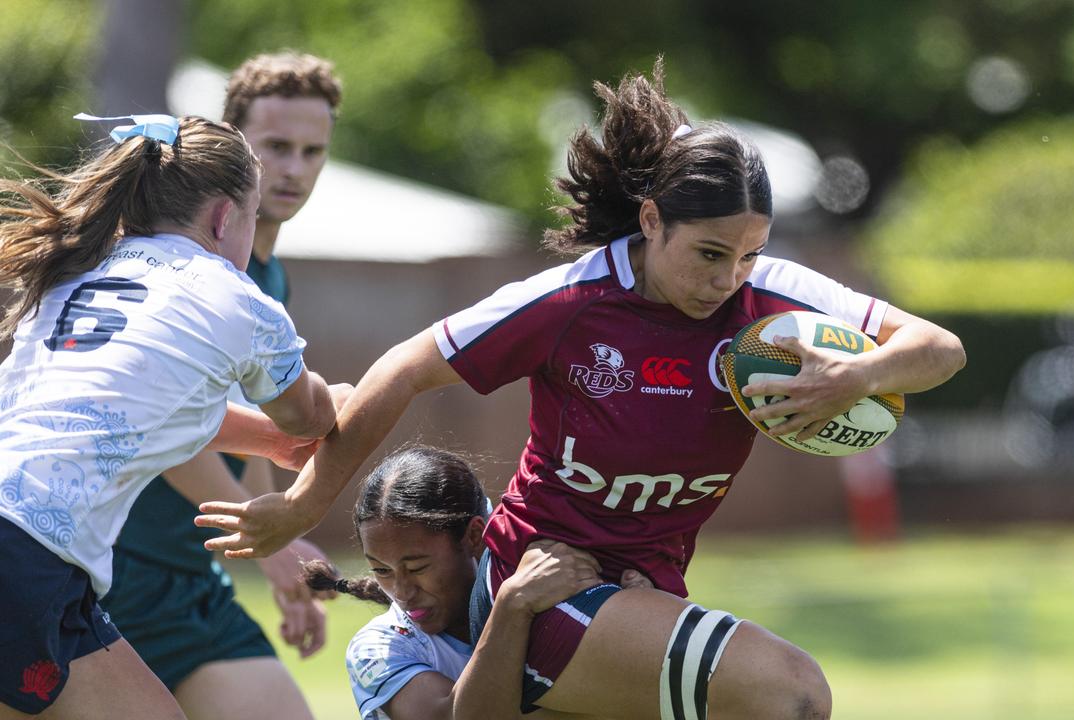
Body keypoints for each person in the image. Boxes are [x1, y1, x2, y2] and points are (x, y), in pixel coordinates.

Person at [199, 62, 967, 720]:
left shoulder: (767, 294)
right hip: (542, 579)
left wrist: (857, 375)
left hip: (646, 588)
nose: (727, 278)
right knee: (791, 693)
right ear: (651, 219)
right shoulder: (574, 301)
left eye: (747, 254)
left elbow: (939, 349)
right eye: (707, 254)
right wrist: (302, 504)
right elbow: (404, 366)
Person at [0, 113, 339, 719]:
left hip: (31, 554)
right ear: (223, 217)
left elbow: (135, 408)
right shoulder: (235, 296)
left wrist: (263, 441)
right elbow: (309, 417)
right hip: (28, 556)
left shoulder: (76, 271)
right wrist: (346, 396)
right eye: (253, 216)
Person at [102, 51, 342, 720]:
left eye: (312, 150)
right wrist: (273, 546)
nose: (294, 168)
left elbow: (248, 429)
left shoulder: (267, 277)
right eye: (276, 148)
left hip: (188, 577)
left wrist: (271, 538)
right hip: (115, 571)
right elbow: (165, 425)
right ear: (235, 148)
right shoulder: (190, 274)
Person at [306, 446, 649, 719]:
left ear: (473, 536)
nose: (402, 592)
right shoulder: (378, 648)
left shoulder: (550, 595)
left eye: (417, 567)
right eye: (382, 570)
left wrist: (637, 631)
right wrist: (512, 607)